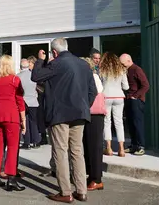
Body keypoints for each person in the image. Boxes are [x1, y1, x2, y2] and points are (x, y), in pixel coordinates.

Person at [32, 38, 96, 203]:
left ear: (54, 52)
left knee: (60, 151)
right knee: (77, 152)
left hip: (59, 114)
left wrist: (40, 60)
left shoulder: (56, 64)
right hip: (80, 113)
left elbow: (36, 76)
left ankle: (65, 192)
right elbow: (93, 91)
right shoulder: (84, 65)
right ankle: (81, 191)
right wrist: (84, 106)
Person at [0, 55, 26, 192]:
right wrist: (23, 120)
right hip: (11, 115)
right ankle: (11, 179)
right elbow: (20, 101)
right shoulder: (15, 80)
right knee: (13, 147)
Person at [82, 57, 106, 192]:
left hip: (95, 115)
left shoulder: (93, 77)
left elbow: (95, 92)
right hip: (90, 114)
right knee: (88, 146)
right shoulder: (91, 76)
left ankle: (97, 179)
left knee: (94, 147)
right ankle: (92, 176)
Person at [100, 52, 129, 157]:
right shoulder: (121, 70)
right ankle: (121, 149)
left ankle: (109, 148)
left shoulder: (102, 70)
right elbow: (126, 87)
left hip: (106, 96)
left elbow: (100, 86)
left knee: (107, 122)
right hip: (119, 97)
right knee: (119, 122)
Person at [121, 53, 149, 156]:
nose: (122, 66)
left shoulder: (137, 70)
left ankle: (141, 146)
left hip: (136, 100)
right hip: (128, 99)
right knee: (130, 123)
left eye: (123, 64)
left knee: (137, 123)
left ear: (129, 61)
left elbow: (145, 85)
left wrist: (136, 96)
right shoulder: (126, 70)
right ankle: (133, 145)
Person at [18, 56, 41, 149]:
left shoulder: (18, 76)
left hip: (23, 101)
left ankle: (27, 142)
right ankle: (36, 141)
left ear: (20, 66)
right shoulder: (34, 75)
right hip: (33, 101)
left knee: (24, 122)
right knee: (34, 122)